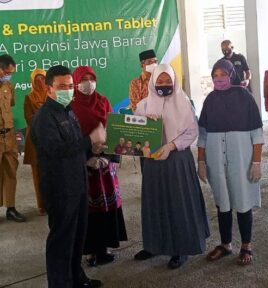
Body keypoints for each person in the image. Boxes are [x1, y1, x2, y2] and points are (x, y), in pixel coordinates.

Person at [30, 65, 104, 288]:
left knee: (78, 236)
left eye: (70, 86)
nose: (68, 90)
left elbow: (75, 144)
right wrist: (90, 139)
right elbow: (57, 149)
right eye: (62, 86)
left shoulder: (68, 110)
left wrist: (93, 151)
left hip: (78, 183)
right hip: (60, 188)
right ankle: (60, 283)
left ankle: (76, 277)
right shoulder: (44, 117)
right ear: (49, 88)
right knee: (61, 239)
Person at [134, 64, 210, 269]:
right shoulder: (142, 105)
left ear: (174, 82)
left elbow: (192, 133)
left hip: (177, 160)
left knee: (179, 202)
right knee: (154, 203)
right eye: (160, 81)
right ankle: (153, 245)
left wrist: (171, 145)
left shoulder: (184, 103)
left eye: (168, 81)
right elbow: (134, 135)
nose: (164, 84)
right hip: (152, 163)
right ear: (153, 82)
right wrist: (143, 128)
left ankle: (181, 248)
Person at [197, 59, 264, 266]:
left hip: (242, 159)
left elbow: (257, 133)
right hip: (216, 160)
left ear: (232, 74)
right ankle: (226, 244)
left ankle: (246, 245)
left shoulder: (245, 96)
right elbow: (203, 134)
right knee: (222, 204)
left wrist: (257, 161)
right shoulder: (210, 100)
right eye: (215, 76)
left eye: (223, 74)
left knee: (243, 204)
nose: (219, 79)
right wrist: (200, 160)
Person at [71, 66, 128, 267]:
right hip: (83, 167)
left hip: (105, 167)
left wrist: (110, 158)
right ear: (75, 81)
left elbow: (113, 130)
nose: (88, 83)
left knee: (107, 205)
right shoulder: (70, 105)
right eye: (83, 79)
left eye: (91, 78)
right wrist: (85, 159)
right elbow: (69, 139)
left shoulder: (103, 101)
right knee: (88, 209)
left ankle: (104, 247)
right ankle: (89, 251)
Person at [0, 54, 26, 222]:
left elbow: (10, 105)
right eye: (7, 72)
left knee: (11, 172)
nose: (9, 75)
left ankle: (11, 208)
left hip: (8, 135)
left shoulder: (8, 86)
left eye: (11, 73)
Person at [23, 68, 47, 216]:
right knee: (38, 174)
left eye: (43, 78)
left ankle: (54, 202)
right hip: (35, 140)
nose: (40, 81)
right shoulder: (29, 97)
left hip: (52, 139)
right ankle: (42, 206)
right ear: (32, 81)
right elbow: (29, 119)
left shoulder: (53, 94)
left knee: (53, 173)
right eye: (37, 79)